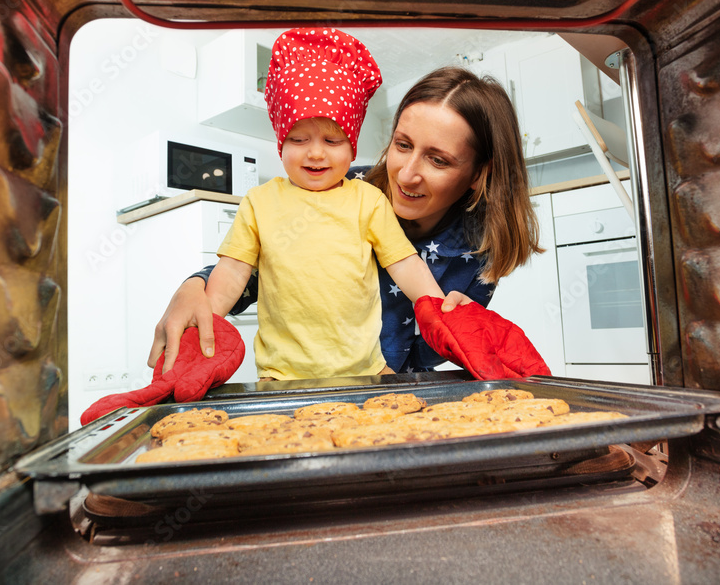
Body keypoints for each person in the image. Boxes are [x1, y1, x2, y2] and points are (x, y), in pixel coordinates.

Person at [149, 63, 542, 375]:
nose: (406, 173)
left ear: (479, 174)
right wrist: (195, 287)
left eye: (438, 160)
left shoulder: (479, 253)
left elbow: (431, 350)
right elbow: (259, 267)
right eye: (401, 146)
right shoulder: (339, 186)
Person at [204, 27, 453, 381]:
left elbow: (406, 266)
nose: (316, 152)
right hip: (281, 375)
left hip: (365, 370)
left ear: (352, 145)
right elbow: (231, 272)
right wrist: (205, 325)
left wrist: (445, 314)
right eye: (299, 138)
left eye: (332, 139)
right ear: (280, 142)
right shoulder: (259, 202)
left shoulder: (367, 199)